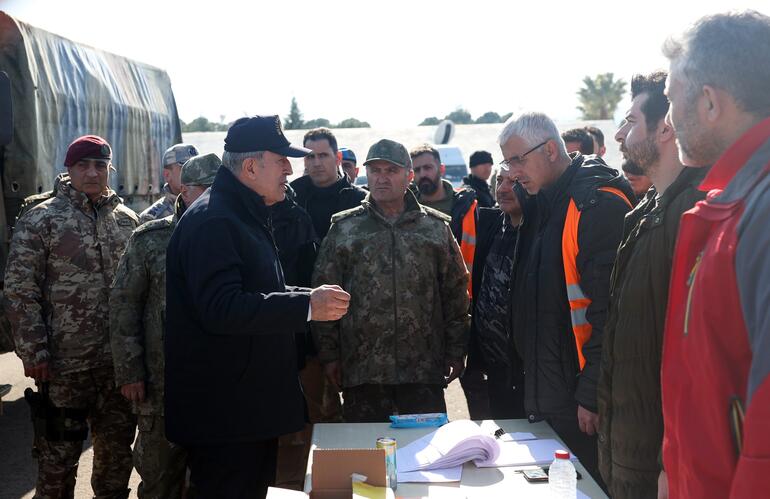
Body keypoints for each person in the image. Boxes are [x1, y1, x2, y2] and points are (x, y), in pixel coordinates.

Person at [164, 115, 350, 498]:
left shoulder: (241, 211)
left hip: (245, 412)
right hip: (226, 419)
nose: (290, 168)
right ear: (250, 167)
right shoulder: (215, 219)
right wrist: (306, 305)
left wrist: (311, 295)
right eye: (280, 159)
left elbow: (261, 289)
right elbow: (222, 307)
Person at [659, 11, 770, 498]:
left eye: (670, 99)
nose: (667, 120)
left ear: (708, 102)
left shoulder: (761, 209)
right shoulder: (735, 203)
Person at [501, 113, 633, 484]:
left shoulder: (595, 204)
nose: (511, 173)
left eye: (517, 160)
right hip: (553, 394)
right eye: (507, 162)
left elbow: (610, 313)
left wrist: (590, 395)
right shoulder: (544, 201)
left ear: (550, 150)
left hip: (582, 402)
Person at [4, 135, 139, 498]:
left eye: (100, 165)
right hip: (65, 367)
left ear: (109, 169)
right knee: (57, 462)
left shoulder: (127, 221)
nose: (92, 173)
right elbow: (19, 290)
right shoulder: (42, 219)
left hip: (116, 368)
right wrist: (34, 352)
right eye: (83, 165)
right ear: (69, 169)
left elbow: (139, 293)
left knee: (115, 460)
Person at [596, 71, 709, 499]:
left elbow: (696, 356)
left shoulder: (693, 213)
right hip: (626, 451)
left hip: (660, 467)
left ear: (665, 128)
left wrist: (670, 464)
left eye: (629, 121)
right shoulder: (644, 212)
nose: (620, 134)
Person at [312, 139, 469, 423]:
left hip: (422, 370)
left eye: (391, 170)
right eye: (375, 170)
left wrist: (456, 350)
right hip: (363, 370)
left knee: (427, 457)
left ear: (409, 176)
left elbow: (455, 293)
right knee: (366, 460)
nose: (382, 178)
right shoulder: (345, 229)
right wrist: (329, 354)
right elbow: (326, 293)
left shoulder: (435, 228)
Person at [110, 153, 220, 499]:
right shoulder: (151, 238)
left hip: (217, 388)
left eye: (216, 190)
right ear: (182, 191)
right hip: (161, 387)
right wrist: (130, 371)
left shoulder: (233, 234)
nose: (208, 198)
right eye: (201, 190)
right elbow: (124, 304)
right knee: (159, 481)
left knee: (214, 482)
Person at [409, 143, 483, 418]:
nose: (422, 174)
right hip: (424, 316)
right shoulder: (406, 209)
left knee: (476, 391)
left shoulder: (467, 205)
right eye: (416, 170)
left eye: (427, 167)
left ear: (440, 169)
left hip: (466, 307)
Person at [470, 166, 527, 419]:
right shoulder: (492, 225)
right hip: (494, 369)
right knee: (501, 437)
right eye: (500, 180)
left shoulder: (540, 232)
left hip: (528, 374)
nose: (503, 188)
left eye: (514, 181)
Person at [289, 128, 366, 239]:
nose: (317, 163)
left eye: (323, 155)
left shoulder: (360, 200)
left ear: (338, 158)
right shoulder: (292, 197)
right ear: (304, 160)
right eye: (310, 157)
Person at [138, 143, 199, 224]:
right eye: (186, 168)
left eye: (196, 167)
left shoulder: (208, 204)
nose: (193, 173)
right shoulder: (151, 218)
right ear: (167, 175)